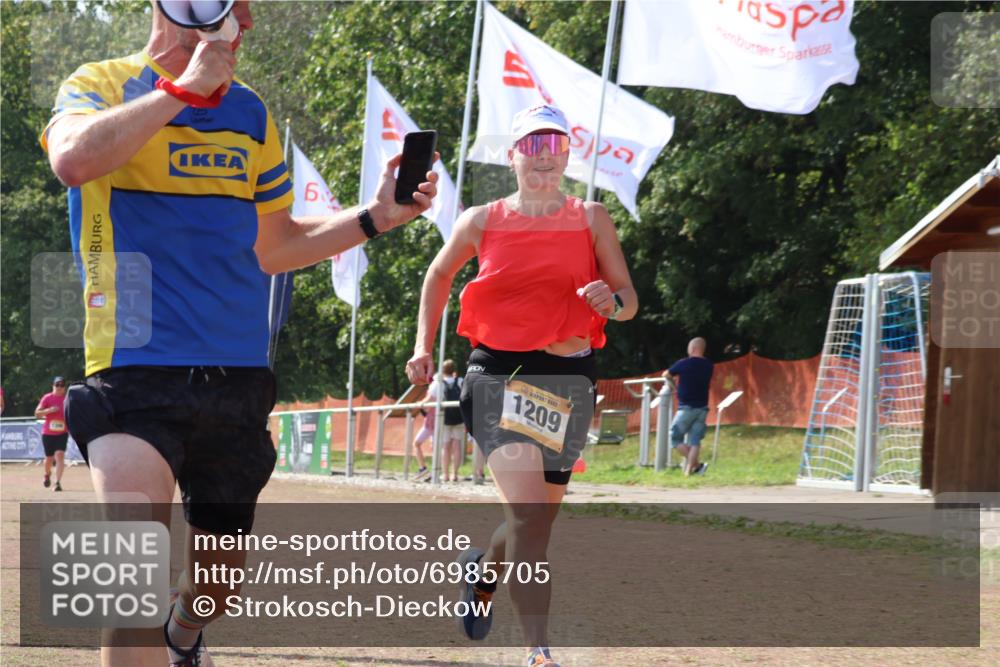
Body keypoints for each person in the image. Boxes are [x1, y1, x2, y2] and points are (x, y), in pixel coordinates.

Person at [40, 3, 438, 665]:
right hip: (132, 367)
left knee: (216, 584)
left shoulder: (251, 114)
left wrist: (375, 215)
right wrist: (180, 90)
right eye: (234, 5)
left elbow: (277, 246)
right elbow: (75, 161)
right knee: (124, 579)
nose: (247, 19)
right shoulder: (100, 83)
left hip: (235, 376)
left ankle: (186, 634)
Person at [406, 104, 637, 667]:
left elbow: (628, 299)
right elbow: (439, 274)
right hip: (497, 377)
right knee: (531, 516)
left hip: (568, 379)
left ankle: (481, 571)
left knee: (536, 520)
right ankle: (539, 652)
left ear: (566, 156)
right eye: (532, 148)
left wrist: (613, 301)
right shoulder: (482, 220)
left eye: (554, 148)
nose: (544, 159)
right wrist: (422, 346)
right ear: (511, 155)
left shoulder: (593, 217)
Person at [663, 337, 715, 475]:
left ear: (692, 349)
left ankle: (697, 466)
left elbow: (667, 374)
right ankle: (690, 472)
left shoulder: (684, 364)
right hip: (702, 407)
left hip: (686, 407)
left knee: (675, 438)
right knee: (695, 441)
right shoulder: (709, 365)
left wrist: (674, 386)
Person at [35, 376, 69, 491]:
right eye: (57, 385)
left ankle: (57, 483)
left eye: (62, 385)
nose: (59, 387)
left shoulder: (68, 399)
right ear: (53, 386)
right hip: (48, 433)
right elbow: (37, 413)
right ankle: (47, 474)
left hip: (62, 432)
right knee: (49, 458)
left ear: (65, 387)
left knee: (60, 455)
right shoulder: (47, 398)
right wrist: (49, 410)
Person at [438, 359, 465, 482]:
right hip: (458, 417)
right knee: (457, 445)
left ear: (443, 370)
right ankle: (455, 474)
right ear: (454, 370)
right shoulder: (460, 381)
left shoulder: (439, 383)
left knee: (445, 446)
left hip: (445, 418)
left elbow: (430, 396)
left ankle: (445, 474)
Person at [411, 373, 439, 481]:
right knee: (429, 446)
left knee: (420, 444)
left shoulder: (435, 385)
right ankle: (425, 469)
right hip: (432, 421)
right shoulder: (438, 385)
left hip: (433, 421)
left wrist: (420, 403)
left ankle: (429, 470)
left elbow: (429, 400)